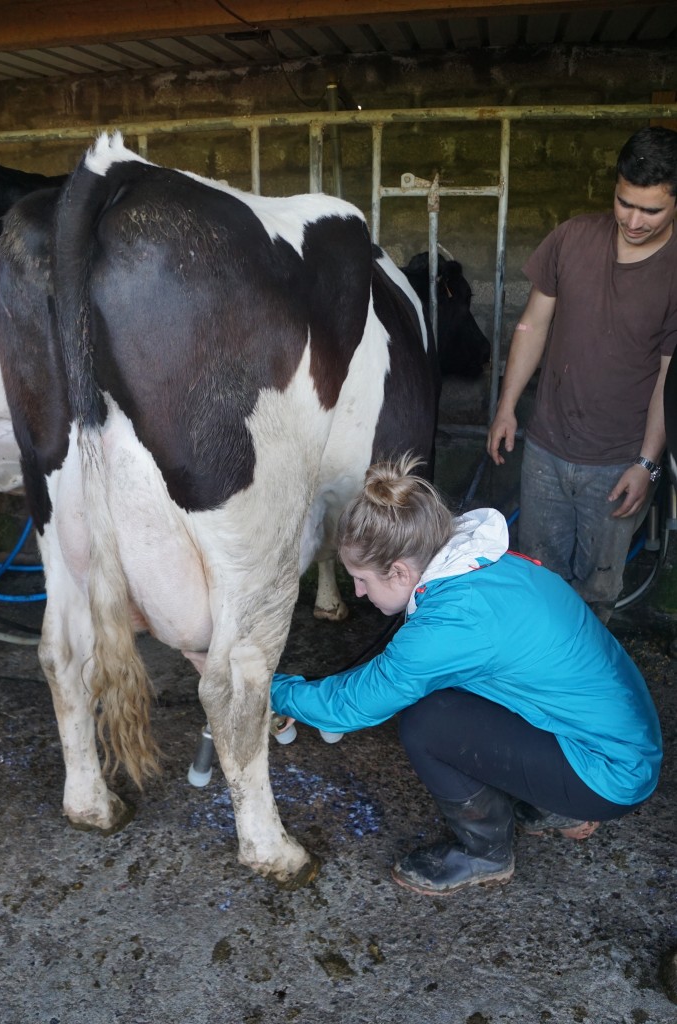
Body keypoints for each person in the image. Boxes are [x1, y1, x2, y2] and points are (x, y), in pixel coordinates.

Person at [270, 455, 662, 897]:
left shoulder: (452, 624)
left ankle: (487, 853)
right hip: (618, 738)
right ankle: (555, 806)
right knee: (448, 692)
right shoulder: (479, 563)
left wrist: (270, 691)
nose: (358, 592)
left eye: (360, 579)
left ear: (400, 570)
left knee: (428, 722)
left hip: (610, 773)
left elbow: (349, 707)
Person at [487, 126, 677, 624]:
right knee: (537, 579)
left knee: (596, 594)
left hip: (617, 464)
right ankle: (535, 682)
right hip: (547, 447)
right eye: (624, 203)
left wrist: (647, 463)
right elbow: (532, 325)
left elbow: (668, 379)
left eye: (651, 210)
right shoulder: (571, 237)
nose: (633, 220)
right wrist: (507, 407)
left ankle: (581, 684)